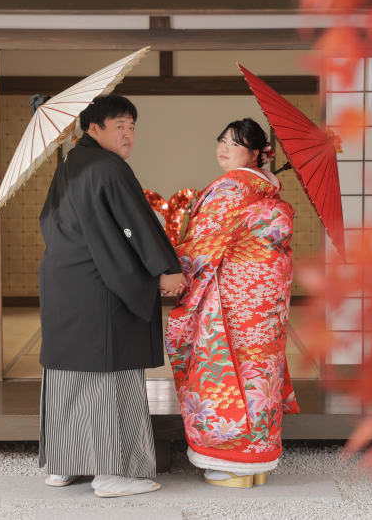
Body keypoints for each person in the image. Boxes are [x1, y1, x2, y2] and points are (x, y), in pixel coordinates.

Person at [37, 95, 186, 498]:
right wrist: (164, 268)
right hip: (99, 286)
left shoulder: (72, 164)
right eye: (119, 126)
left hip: (64, 282)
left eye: (132, 126)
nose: (128, 134)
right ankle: (111, 472)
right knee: (109, 373)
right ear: (94, 129)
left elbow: (52, 222)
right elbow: (134, 223)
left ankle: (64, 464)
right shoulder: (108, 167)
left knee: (67, 372)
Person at [165, 118, 300, 488]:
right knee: (261, 373)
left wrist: (166, 269)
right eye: (222, 140)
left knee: (226, 369)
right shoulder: (268, 190)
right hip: (265, 304)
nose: (224, 148)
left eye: (235, 143)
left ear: (255, 154)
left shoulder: (232, 187)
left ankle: (230, 461)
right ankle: (258, 461)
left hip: (232, 301)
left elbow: (203, 244)